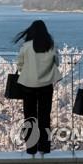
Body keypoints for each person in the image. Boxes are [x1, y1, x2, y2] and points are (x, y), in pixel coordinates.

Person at [14, 20, 61, 155]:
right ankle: (44, 146)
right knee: (45, 116)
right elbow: (56, 62)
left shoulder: (26, 46)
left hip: (28, 85)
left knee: (29, 116)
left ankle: (31, 147)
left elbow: (20, 65)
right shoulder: (51, 45)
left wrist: (28, 70)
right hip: (46, 85)